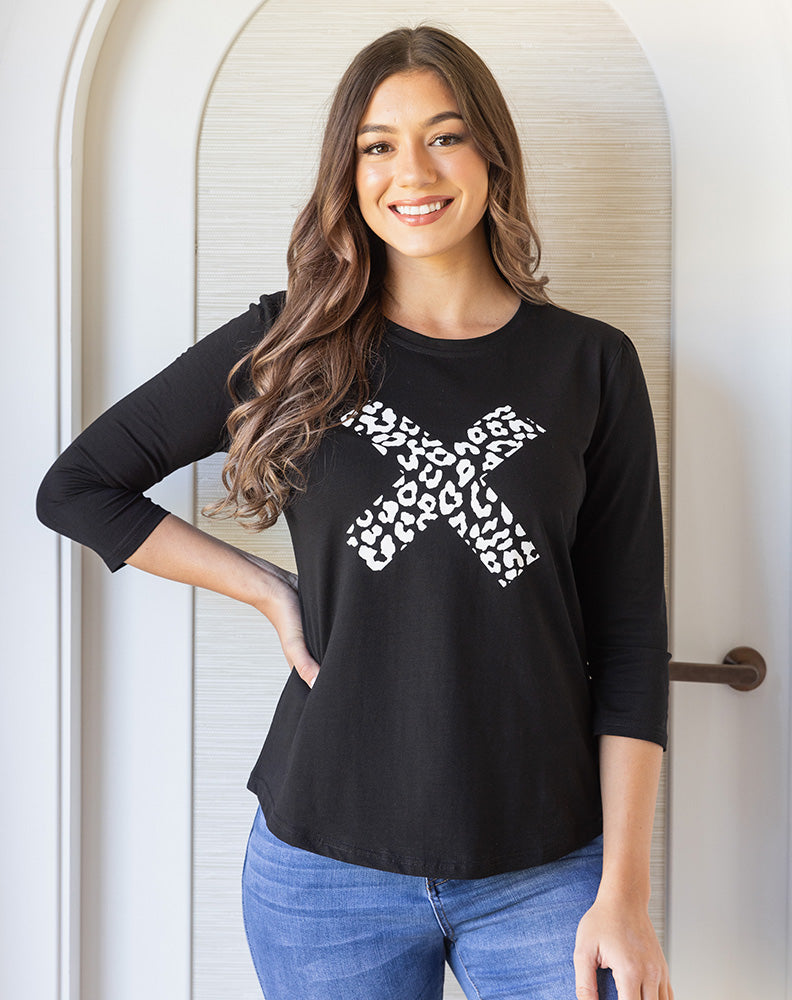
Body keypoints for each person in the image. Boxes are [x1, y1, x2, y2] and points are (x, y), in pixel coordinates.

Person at [37, 24, 673, 1000]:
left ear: (492, 155)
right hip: (322, 871)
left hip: (547, 867)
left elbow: (629, 643)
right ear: (349, 169)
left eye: (445, 135)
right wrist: (265, 589)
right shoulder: (290, 344)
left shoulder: (590, 363)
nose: (412, 171)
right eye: (378, 144)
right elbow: (80, 487)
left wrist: (624, 892)